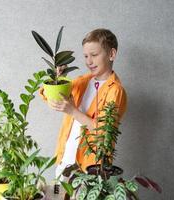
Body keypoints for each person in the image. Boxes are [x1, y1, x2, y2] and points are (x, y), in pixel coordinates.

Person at [39, 28, 127, 181]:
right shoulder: (82, 81)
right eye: (86, 56)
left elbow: (104, 133)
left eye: (94, 55)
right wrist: (59, 78)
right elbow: (48, 95)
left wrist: (73, 111)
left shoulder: (116, 91)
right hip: (65, 161)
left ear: (112, 54)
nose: (89, 61)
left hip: (91, 168)